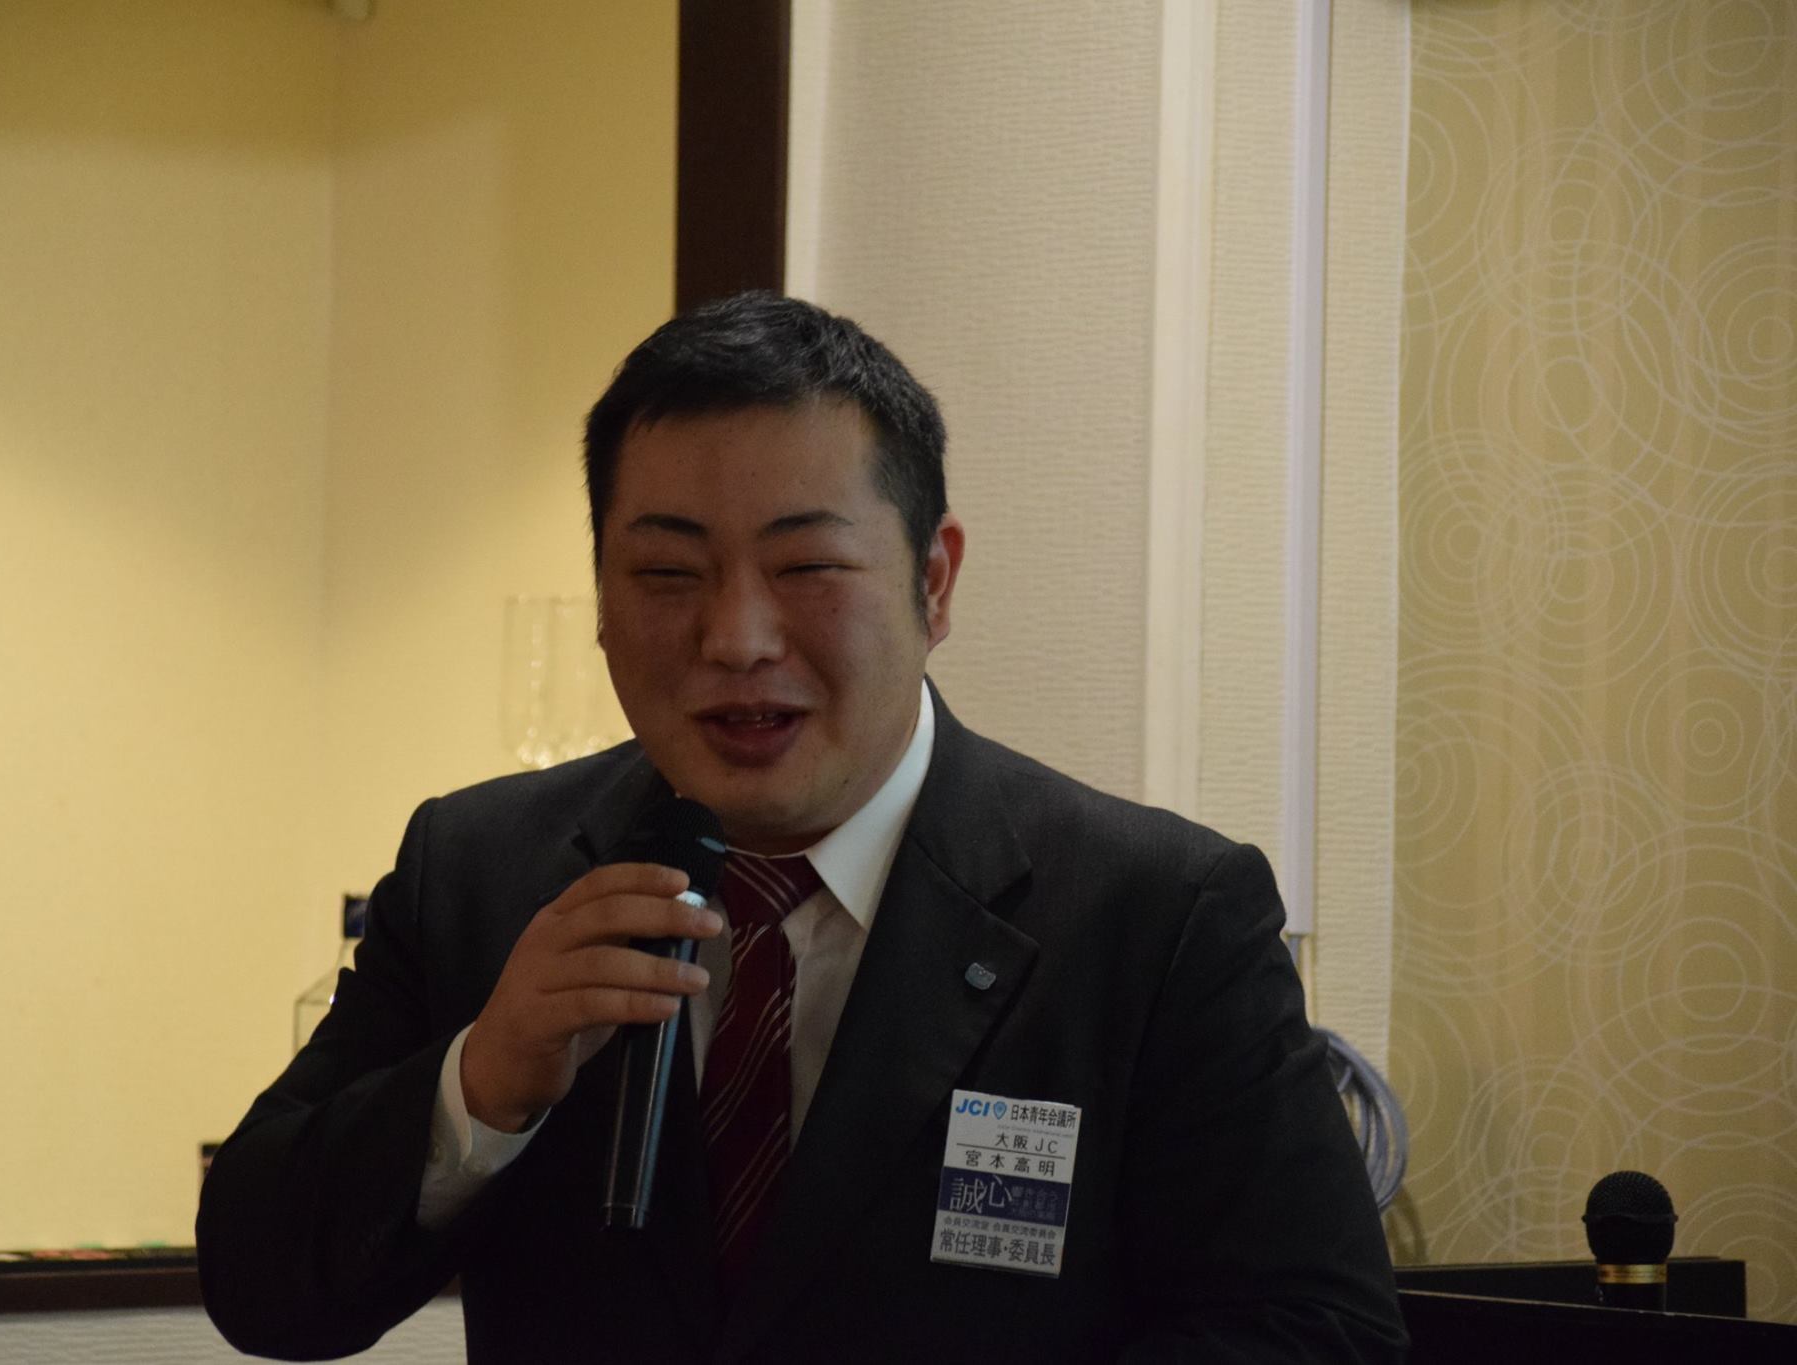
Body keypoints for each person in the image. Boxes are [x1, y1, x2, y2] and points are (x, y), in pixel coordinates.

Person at [197, 292, 1408, 1362]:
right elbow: (259, 1287)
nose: (736, 639)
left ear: (933, 581)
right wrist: (481, 1082)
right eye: (667, 575)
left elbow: (1314, 1328)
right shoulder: (481, 872)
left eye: (806, 570)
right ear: (602, 596)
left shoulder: (1156, 915)